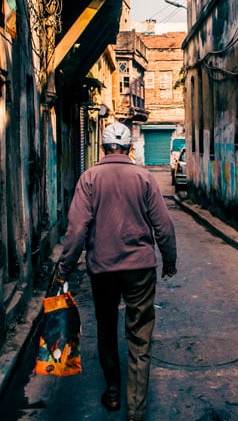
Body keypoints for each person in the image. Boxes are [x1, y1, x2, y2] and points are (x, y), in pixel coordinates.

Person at [56, 121, 177, 421]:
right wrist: (169, 261)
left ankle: (112, 393)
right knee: (140, 338)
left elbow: (75, 230)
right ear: (129, 148)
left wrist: (64, 268)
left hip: (103, 269)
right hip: (140, 269)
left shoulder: (90, 178)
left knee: (106, 329)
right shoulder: (144, 178)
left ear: (103, 148)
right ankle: (136, 412)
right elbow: (163, 226)